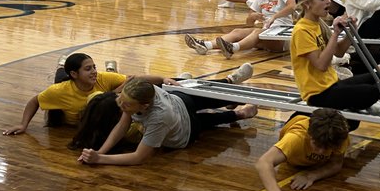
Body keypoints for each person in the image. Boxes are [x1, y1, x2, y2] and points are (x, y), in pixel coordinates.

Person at [76, 78, 257, 167]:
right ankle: (240, 113)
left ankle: (236, 104)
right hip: (178, 107)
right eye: (120, 99)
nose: (120, 104)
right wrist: (100, 151)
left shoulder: (159, 118)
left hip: (184, 127)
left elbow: (139, 157)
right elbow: (122, 125)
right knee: (201, 111)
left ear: (144, 105)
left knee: (203, 120)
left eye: (126, 103)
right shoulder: (140, 92)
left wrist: (101, 159)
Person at [289, 0, 380, 113]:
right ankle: (358, 105)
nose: (328, 1)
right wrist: (335, 34)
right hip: (317, 94)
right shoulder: (302, 30)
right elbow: (321, 65)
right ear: (307, 4)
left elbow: (339, 52)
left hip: (331, 84)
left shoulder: (318, 24)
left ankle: (358, 103)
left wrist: (352, 31)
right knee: (372, 91)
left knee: (379, 76)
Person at [255, 108, 352, 191]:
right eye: (317, 145)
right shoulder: (296, 137)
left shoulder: (340, 138)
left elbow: (336, 164)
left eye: (327, 148)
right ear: (310, 135)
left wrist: (312, 175)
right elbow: (263, 163)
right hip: (294, 144)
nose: (321, 152)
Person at [3, 53, 129, 134]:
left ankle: (111, 69)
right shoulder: (59, 91)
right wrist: (23, 124)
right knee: (59, 77)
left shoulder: (101, 78)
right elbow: (34, 101)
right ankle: (61, 65)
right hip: (67, 84)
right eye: (88, 68)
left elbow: (132, 80)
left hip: (91, 84)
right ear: (74, 74)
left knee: (111, 81)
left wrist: (113, 92)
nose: (94, 71)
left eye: (94, 67)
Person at [185, 0, 296, 57]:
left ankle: (232, 48)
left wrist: (274, 17)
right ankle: (205, 46)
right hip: (266, 34)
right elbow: (249, 23)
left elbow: (292, 6)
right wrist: (253, 16)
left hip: (281, 39)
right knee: (237, 31)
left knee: (257, 32)